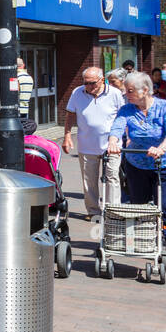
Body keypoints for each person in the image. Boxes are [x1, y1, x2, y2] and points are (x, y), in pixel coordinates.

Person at [107, 71, 166, 264]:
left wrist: (161, 148)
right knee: (138, 205)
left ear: (145, 90)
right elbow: (117, 127)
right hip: (137, 162)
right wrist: (113, 142)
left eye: (130, 91)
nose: (126, 94)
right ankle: (142, 242)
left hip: (164, 162)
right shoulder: (127, 109)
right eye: (126, 90)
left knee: (165, 205)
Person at [62, 67, 124, 221]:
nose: (88, 86)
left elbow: (123, 117)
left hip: (112, 145)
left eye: (92, 83)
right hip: (86, 144)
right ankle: (93, 211)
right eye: (86, 83)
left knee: (112, 177)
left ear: (102, 80)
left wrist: (125, 137)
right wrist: (67, 135)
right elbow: (70, 114)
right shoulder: (78, 92)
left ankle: (113, 211)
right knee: (89, 180)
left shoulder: (115, 94)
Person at [15, 57, 37, 135]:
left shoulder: (16, 78)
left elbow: (14, 93)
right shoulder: (29, 77)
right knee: (24, 131)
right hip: (25, 108)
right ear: (23, 65)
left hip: (16, 109)